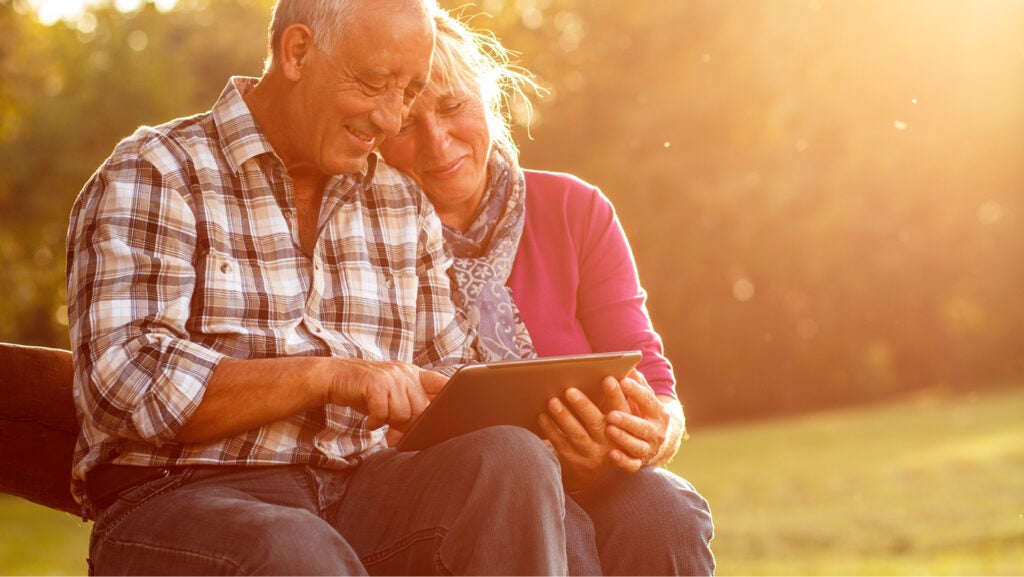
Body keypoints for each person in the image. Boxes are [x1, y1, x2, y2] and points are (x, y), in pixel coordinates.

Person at [65, 1, 577, 574]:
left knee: (510, 458)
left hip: (357, 491)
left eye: (406, 92)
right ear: (297, 51)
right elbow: (125, 383)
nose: (389, 119)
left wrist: (553, 413)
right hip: (177, 497)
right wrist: (327, 376)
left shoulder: (400, 202)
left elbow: (450, 368)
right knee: (295, 548)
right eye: (376, 83)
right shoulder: (156, 172)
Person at [378, 10, 716, 575]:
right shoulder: (362, 233)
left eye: (454, 105)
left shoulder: (574, 209)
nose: (437, 143)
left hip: (594, 473)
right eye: (407, 125)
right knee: (555, 520)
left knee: (666, 512)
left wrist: (651, 435)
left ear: (489, 97)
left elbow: (656, 386)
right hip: (456, 490)